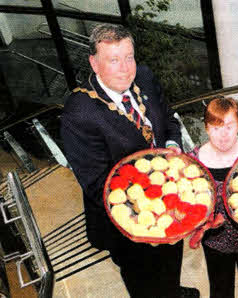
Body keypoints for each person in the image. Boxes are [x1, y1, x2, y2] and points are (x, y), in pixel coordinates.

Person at [60, 24, 199, 298]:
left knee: (171, 259)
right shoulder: (79, 113)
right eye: (113, 60)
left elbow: (168, 119)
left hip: (170, 198)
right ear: (94, 63)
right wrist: (152, 205)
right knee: (144, 281)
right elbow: (97, 183)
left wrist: (171, 145)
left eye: (129, 57)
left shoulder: (144, 76)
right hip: (127, 221)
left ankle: (172, 289)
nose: (125, 68)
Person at [190, 97, 238, 298]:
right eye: (215, 128)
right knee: (220, 291)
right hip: (215, 242)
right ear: (206, 128)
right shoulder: (194, 160)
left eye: (229, 126)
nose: (223, 135)